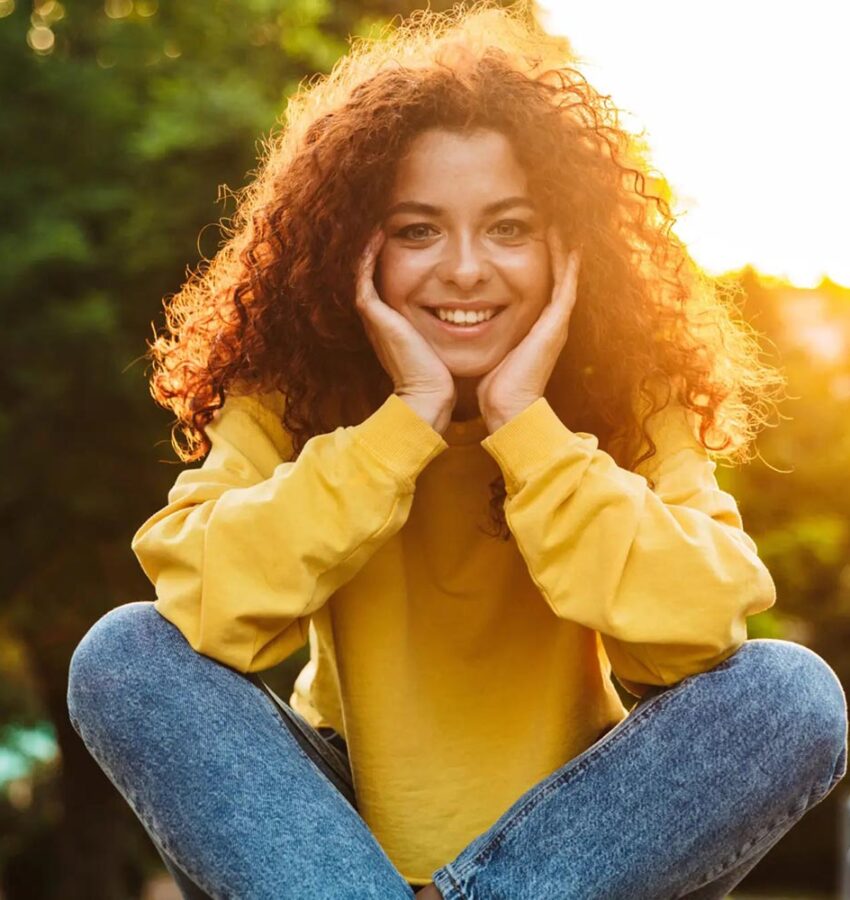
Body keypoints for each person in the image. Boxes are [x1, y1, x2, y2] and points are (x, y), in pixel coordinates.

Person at [66, 2, 847, 898]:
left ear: (571, 253)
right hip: (326, 842)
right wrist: (406, 423)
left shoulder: (637, 395)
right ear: (351, 251)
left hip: (578, 840)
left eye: (510, 229)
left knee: (790, 694)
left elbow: (700, 629)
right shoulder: (291, 390)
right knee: (123, 654)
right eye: (418, 229)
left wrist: (524, 424)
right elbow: (204, 603)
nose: (467, 268)